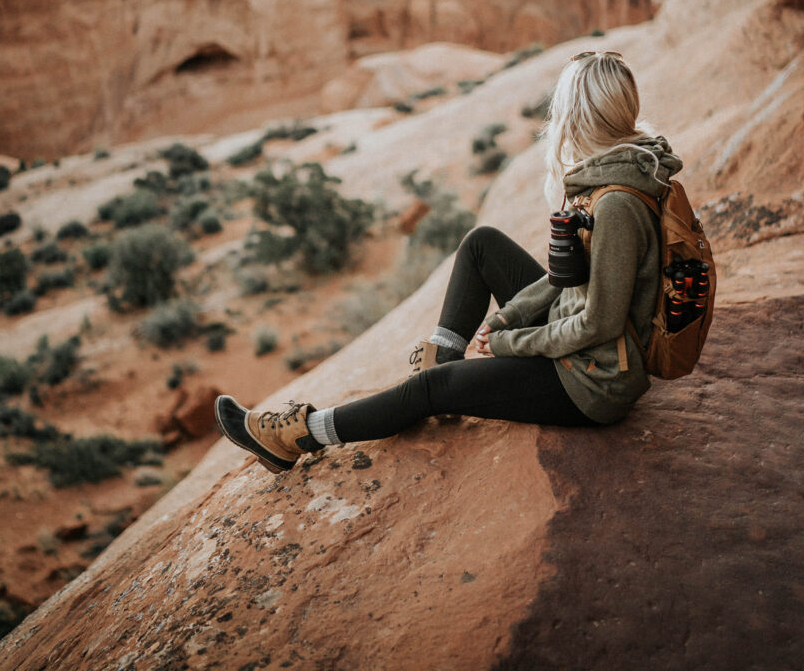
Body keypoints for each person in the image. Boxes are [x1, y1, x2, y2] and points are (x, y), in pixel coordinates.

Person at [214, 50, 683, 474]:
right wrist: (506, 316)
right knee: (482, 244)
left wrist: (512, 343)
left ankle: (297, 435)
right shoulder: (620, 168)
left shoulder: (617, 204)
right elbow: (569, 280)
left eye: (561, 106)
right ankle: (442, 362)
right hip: (582, 340)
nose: (556, 116)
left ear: (580, 115)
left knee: (429, 392)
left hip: (592, 382)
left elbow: (599, 323)